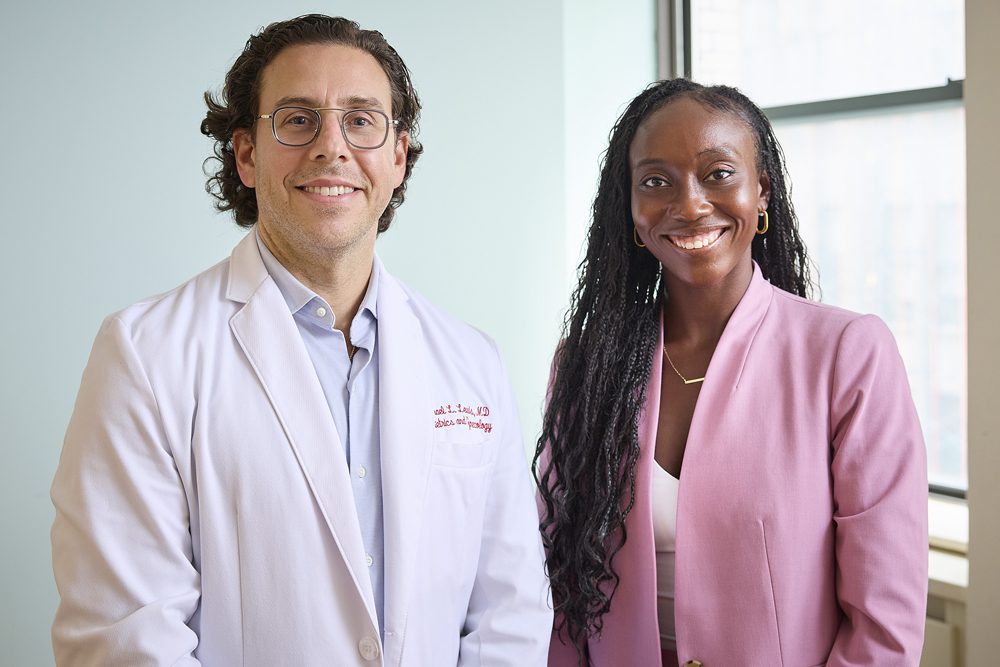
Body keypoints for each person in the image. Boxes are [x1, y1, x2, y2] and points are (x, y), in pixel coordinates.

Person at [51, 14, 550, 666]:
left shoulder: (471, 362)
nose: (331, 147)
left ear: (397, 157)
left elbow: (509, 616)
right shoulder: (145, 354)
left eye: (362, 120)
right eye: (297, 119)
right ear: (248, 156)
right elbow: (125, 635)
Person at [535, 78, 928, 666]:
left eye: (718, 173)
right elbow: (558, 589)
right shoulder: (585, 366)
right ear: (631, 207)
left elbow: (885, 624)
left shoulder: (847, 353)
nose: (689, 204)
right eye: (655, 181)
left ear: (761, 190)